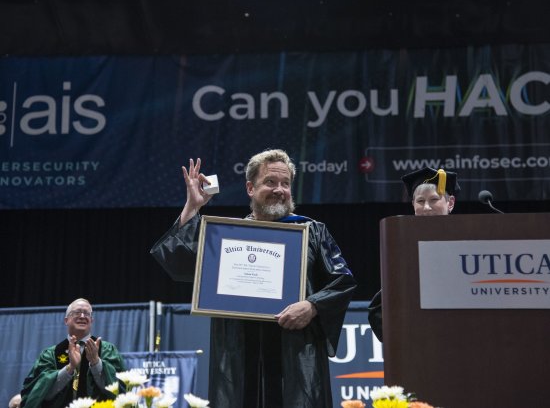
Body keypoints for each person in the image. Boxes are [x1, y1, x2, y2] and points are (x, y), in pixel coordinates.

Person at [151, 149, 357, 408]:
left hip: (294, 353)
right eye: (270, 182)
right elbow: (180, 260)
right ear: (250, 187)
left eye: (285, 184)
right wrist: (193, 207)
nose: (279, 189)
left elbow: (343, 280)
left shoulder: (312, 232)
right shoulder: (228, 236)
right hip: (238, 352)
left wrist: (313, 305)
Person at [367, 167, 460, 342]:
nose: (426, 207)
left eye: (434, 199)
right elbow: (378, 310)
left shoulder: (468, 240)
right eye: (420, 201)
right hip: (420, 343)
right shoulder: (404, 247)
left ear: (451, 202)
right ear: (413, 205)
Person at [20, 298, 126, 407]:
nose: (82, 316)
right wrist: (70, 368)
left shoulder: (106, 350)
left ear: (92, 321)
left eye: (87, 313)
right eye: (77, 312)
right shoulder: (50, 355)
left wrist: (96, 363)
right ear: (66, 320)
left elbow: (120, 390)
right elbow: (37, 393)